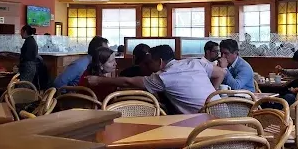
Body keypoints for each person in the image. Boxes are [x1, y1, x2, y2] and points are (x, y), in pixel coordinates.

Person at [86, 45, 226, 114]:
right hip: (224, 110)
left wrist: (99, 80)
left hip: (203, 121)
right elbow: (221, 73)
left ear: (159, 62)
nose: (147, 65)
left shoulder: (163, 77)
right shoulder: (194, 62)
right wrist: (211, 96)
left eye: (150, 62)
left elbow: (128, 82)